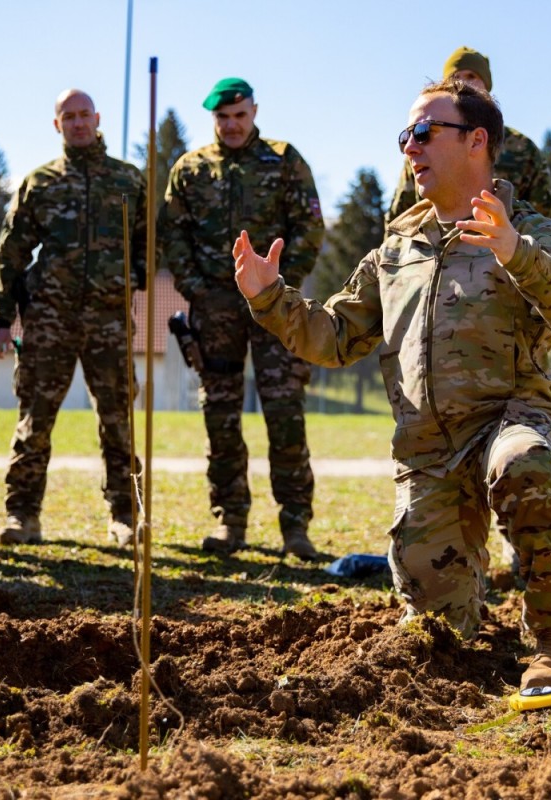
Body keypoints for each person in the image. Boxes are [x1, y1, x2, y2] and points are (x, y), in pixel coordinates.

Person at [232, 79, 551, 690]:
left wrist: (516, 252)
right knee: (436, 636)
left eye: (425, 132)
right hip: (428, 453)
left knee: (528, 465)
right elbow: (332, 337)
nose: (410, 147)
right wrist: (268, 297)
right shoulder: (396, 249)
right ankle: (460, 608)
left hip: (508, 420)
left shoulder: (531, 232)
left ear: (476, 141)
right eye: (404, 135)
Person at [160, 77, 324, 560]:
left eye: (240, 116)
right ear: (213, 119)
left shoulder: (284, 159)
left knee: (285, 415)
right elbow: (174, 236)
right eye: (222, 118)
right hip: (215, 313)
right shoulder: (190, 170)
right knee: (221, 419)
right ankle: (230, 523)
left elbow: (309, 228)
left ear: (254, 111)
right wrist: (197, 290)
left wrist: (277, 287)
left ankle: (296, 528)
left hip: (274, 309)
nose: (232, 126)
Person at [0, 89, 145, 547]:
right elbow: (11, 250)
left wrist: (131, 278)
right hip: (48, 320)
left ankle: (124, 515)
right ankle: (22, 515)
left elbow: (150, 244)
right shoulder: (41, 182)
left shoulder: (128, 181)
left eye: (84, 115)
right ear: (57, 124)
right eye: (68, 117)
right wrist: (1, 318)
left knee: (119, 421)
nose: (77, 123)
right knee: (34, 422)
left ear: (97, 119)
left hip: (109, 321)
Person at [386, 46, 551, 224]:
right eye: (455, 78)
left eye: (471, 76)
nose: (463, 83)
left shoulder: (522, 149)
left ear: (487, 86)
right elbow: (399, 218)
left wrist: (516, 246)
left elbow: (545, 216)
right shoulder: (421, 150)